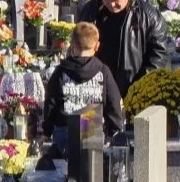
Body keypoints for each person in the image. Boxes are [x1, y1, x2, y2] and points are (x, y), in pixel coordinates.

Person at [76, 0, 170, 97]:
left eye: (116, 0)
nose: (112, 5)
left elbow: (159, 54)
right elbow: (79, 45)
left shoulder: (148, 16)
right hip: (96, 88)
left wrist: (141, 85)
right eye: (107, 0)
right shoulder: (90, 12)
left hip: (133, 87)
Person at [42, 22, 126, 152]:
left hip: (65, 129)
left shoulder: (61, 71)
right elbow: (113, 101)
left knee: (63, 168)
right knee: (91, 167)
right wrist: (114, 131)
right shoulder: (103, 71)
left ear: (72, 46)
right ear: (97, 46)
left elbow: (51, 102)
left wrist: (46, 131)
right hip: (93, 127)